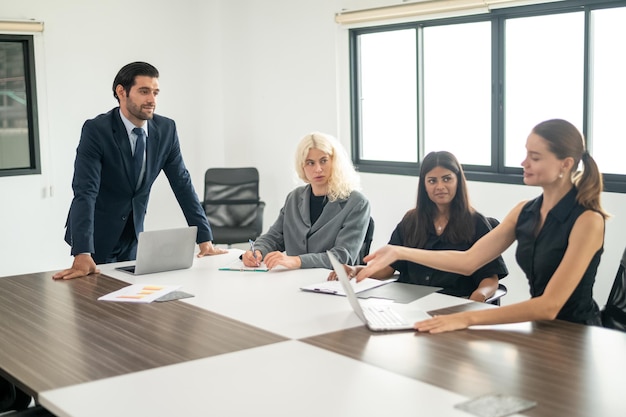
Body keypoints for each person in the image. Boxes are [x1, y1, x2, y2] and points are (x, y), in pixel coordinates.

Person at [357, 119, 608, 332]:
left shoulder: (588, 220)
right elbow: (468, 262)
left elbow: (549, 305)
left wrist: (467, 316)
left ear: (565, 164)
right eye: (525, 154)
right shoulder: (524, 211)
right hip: (539, 329)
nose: (524, 163)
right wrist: (399, 251)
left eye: (535, 157)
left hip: (577, 332)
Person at [53, 62, 226, 280]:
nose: (152, 100)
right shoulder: (97, 131)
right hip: (96, 237)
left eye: (155, 92)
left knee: (130, 304)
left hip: (133, 236)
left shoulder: (166, 130)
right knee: (95, 306)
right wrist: (82, 251)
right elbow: (85, 191)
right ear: (121, 91)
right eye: (144, 91)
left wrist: (205, 240)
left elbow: (182, 184)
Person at [329, 151, 508, 302]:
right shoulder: (411, 221)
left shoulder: (476, 222)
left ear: (458, 181)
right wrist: (356, 270)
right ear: (424, 184)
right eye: (432, 181)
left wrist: (478, 296)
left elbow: (490, 278)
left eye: (447, 179)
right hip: (410, 305)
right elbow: (389, 269)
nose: (440, 186)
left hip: (454, 303)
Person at [241, 132, 371, 270]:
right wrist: (258, 251)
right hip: (294, 280)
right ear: (302, 166)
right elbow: (274, 237)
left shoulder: (357, 203)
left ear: (334, 162)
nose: (318, 169)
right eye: (310, 163)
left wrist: (297, 261)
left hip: (331, 283)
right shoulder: (294, 197)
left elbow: (343, 257)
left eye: (324, 160)